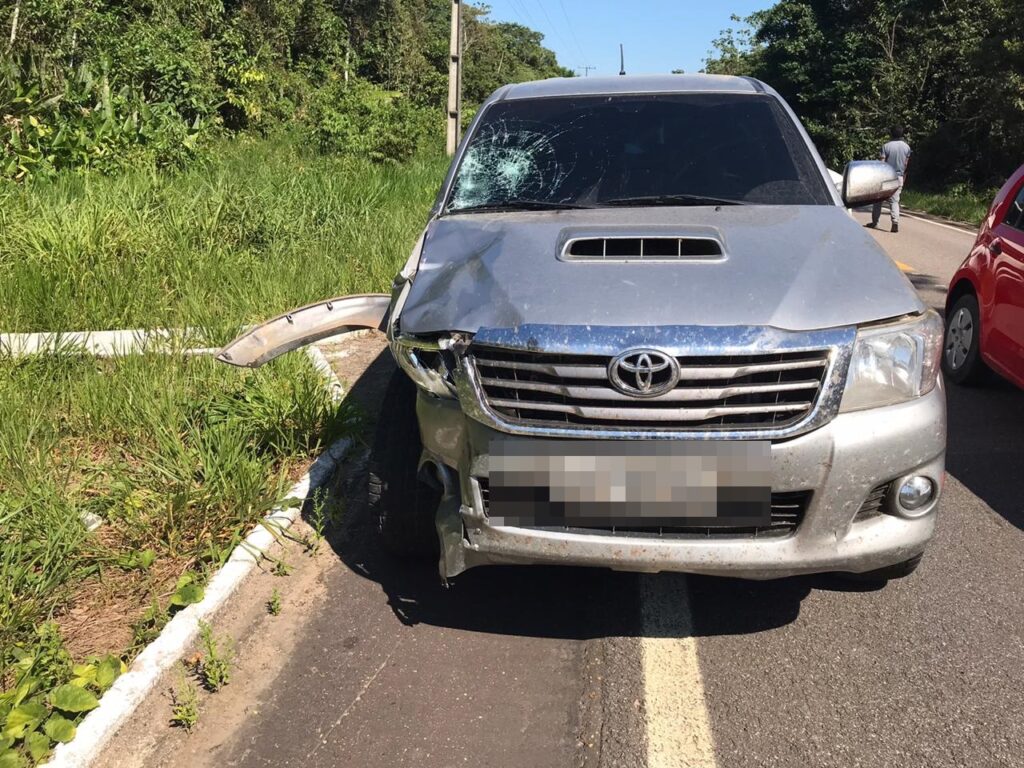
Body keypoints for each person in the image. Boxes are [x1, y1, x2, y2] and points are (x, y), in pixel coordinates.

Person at [868, 126, 911, 233]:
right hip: (899, 176)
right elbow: (906, 164)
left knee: (878, 200)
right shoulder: (907, 147)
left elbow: (882, 163)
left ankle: (875, 222)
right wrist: (904, 177)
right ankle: (895, 222)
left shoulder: (886, 146)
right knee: (895, 201)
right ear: (902, 134)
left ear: (891, 134)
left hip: (887, 176)